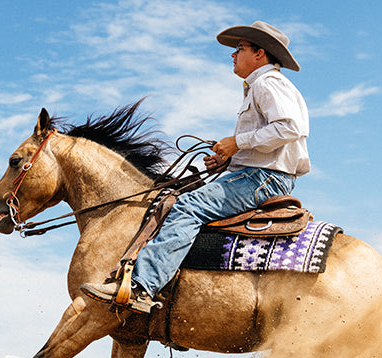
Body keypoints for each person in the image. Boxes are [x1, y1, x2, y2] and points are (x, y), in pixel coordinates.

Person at [81, 21, 310, 312]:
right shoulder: (259, 86)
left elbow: (290, 128)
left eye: (239, 49)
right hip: (256, 173)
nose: (232, 55)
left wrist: (237, 142)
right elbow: (270, 141)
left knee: (187, 206)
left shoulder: (268, 83)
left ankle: (141, 286)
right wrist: (228, 158)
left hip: (263, 178)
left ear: (259, 53)